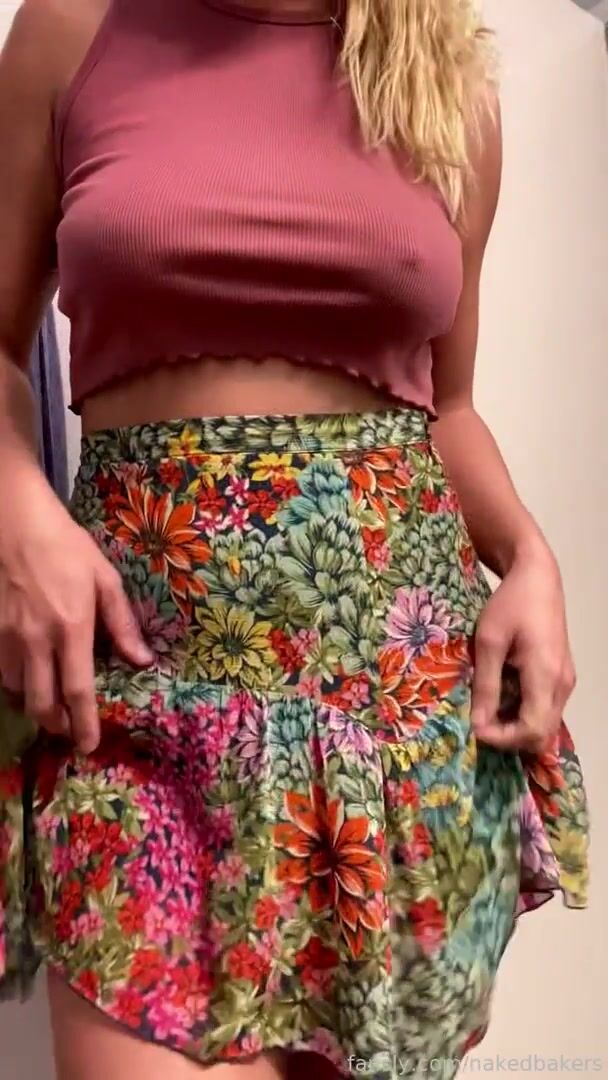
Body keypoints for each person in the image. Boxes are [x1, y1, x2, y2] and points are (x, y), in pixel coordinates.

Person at [0, 1, 589, 1078]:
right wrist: (16, 504)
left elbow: (447, 407)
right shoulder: (76, 30)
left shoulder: (442, 75)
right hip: (148, 698)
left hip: (399, 723)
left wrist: (530, 558)